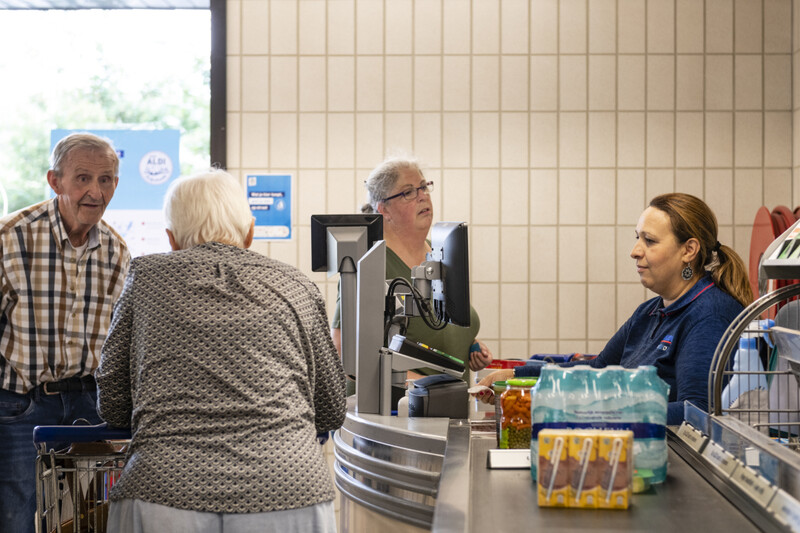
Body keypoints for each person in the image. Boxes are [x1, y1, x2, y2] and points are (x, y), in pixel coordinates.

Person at [96, 169, 346, 533]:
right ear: (249, 232)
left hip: (165, 487)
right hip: (286, 486)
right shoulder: (297, 286)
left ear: (171, 239)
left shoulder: (146, 278)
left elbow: (113, 400)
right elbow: (331, 407)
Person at [477, 193, 753, 425]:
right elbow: (597, 369)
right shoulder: (649, 313)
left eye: (650, 241)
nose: (635, 251)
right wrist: (516, 377)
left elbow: (695, 413)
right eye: (637, 238)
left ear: (689, 250)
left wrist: (598, 414)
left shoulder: (709, 315)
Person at [0, 132, 130, 532]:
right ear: (55, 181)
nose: (95, 191)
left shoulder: (117, 251)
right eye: (83, 178)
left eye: (105, 179)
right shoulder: (12, 237)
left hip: (88, 408)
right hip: (21, 407)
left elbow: (120, 342)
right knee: (17, 517)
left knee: (85, 522)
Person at [330, 156, 493, 386]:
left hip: (447, 407)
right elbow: (343, 352)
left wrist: (470, 346)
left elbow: (433, 331)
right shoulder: (368, 262)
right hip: (396, 414)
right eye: (408, 192)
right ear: (383, 209)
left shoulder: (441, 251)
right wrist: (425, 387)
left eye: (424, 187)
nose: (422, 196)